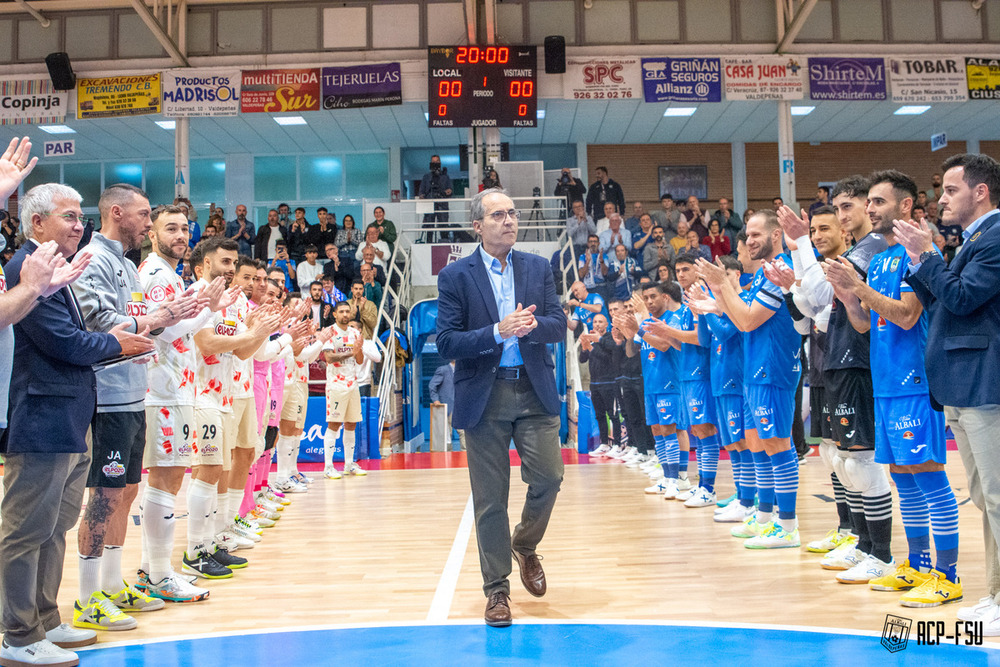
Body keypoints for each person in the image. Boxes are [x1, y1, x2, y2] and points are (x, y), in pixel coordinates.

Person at [0, 180, 153, 666]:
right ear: (37, 222)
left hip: (68, 414)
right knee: (25, 529)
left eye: (79, 215)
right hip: (40, 417)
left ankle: (45, 619)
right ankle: (19, 634)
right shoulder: (26, 267)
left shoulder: (54, 269)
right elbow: (65, 343)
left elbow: (77, 335)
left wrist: (115, 335)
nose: (78, 224)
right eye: (68, 215)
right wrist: (118, 343)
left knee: (54, 526)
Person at [72, 184, 208, 631]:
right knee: (104, 498)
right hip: (108, 395)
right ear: (117, 213)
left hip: (134, 392)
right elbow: (100, 323)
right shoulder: (95, 258)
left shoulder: (126, 266)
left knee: (125, 492)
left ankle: (111, 584)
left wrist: (166, 315)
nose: (148, 225)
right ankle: (88, 597)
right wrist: (159, 318)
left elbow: (138, 325)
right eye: (146, 215)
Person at [827, 169, 962, 607]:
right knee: (902, 477)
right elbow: (867, 324)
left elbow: (905, 315)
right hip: (884, 382)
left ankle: (946, 576)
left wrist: (858, 287)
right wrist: (849, 297)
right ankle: (917, 566)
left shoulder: (919, 253)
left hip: (914, 381)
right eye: (869, 204)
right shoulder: (883, 257)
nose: (870, 210)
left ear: (906, 206)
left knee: (928, 476)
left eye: (879, 203)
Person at [436, 188, 567, 628]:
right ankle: (497, 592)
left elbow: (558, 324)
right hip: (483, 396)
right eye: (498, 215)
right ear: (478, 225)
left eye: (512, 213)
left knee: (550, 476)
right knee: (490, 501)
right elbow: (447, 341)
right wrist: (496, 330)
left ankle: (525, 545)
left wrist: (529, 327)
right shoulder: (455, 276)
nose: (509, 220)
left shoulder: (538, 266)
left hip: (534, 389)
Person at [895, 154, 1000, 631]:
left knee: (997, 496)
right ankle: (996, 593)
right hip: (962, 382)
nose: (941, 198)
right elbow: (947, 298)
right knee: (985, 496)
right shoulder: (975, 239)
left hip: (985, 382)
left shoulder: (996, 236)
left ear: (981, 192)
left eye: (951, 190)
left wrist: (928, 257)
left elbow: (961, 297)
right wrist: (925, 261)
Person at [137, 204, 235, 604]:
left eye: (184, 229)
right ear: (152, 233)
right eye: (170, 228)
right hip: (163, 389)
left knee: (168, 477)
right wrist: (207, 307)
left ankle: (154, 570)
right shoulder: (158, 275)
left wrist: (204, 304)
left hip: (174, 387)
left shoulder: (168, 275)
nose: (181, 235)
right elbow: (169, 329)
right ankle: (159, 574)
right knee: (165, 479)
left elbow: (175, 325)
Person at [692, 210, 803, 549]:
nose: (749, 240)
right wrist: (719, 295)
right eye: (747, 234)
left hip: (772, 367)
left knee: (778, 446)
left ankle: (787, 526)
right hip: (756, 368)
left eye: (756, 234)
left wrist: (722, 286)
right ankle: (767, 518)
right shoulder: (761, 276)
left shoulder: (778, 271)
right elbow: (738, 315)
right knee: (762, 444)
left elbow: (746, 322)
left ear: (774, 236)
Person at [322, 301, 368, 479]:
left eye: (347, 311)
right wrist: (351, 352)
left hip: (352, 383)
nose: (345, 314)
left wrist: (358, 350)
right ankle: (328, 466)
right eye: (341, 311)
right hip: (336, 384)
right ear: (335, 314)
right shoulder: (330, 332)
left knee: (351, 424)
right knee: (334, 424)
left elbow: (359, 359)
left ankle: (349, 464)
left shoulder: (355, 332)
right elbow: (329, 358)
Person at [429, 359, 465, 450]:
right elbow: (432, 385)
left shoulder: (463, 370)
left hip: (460, 406)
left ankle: (465, 454)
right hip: (447, 406)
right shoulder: (443, 370)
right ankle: (448, 455)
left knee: (463, 431)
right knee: (447, 433)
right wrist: (435, 400)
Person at [419, 154, 454, 242]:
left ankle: (444, 243)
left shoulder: (445, 176)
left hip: (442, 204)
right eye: (433, 162)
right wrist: (422, 196)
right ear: (430, 163)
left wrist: (448, 191)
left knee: (443, 225)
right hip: (429, 204)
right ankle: (429, 243)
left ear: (440, 163)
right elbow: (421, 191)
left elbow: (450, 190)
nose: (435, 163)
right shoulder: (426, 177)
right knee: (429, 226)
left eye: (437, 161)